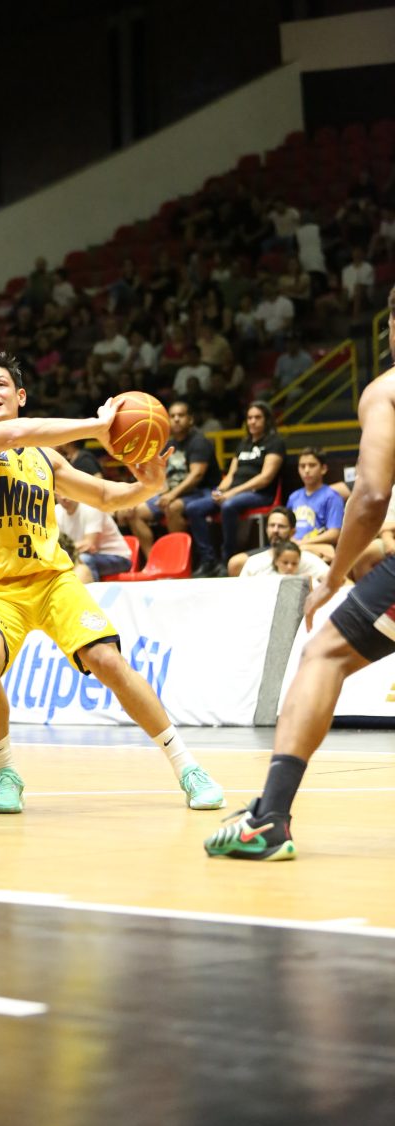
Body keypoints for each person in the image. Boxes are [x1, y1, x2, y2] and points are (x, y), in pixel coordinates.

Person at [0, 350, 224, 815]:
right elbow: (14, 433)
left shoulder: (46, 458)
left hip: (53, 580)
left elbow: (103, 495)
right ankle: (5, 772)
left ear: (20, 396)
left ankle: (187, 767)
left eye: (0, 384)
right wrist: (96, 427)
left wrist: (149, 487)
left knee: (108, 660)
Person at [204, 284, 395, 862]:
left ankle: (269, 818)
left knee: (323, 655)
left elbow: (370, 496)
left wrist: (334, 578)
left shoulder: (385, 391)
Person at [127, 399, 222, 572]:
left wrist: (171, 495)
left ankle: (178, 560)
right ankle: (154, 563)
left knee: (172, 507)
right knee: (134, 512)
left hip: (201, 492)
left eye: (181, 415)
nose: (176, 419)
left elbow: (196, 476)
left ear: (190, 419)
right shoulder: (169, 444)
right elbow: (161, 476)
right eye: (172, 416)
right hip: (174, 492)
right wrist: (159, 492)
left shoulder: (199, 442)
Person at [186, 400, 285, 564]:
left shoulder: (275, 443)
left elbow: (265, 478)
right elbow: (231, 475)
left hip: (260, 494)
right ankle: (208, 560)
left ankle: (228, 558)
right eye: (250, 418)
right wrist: (219, 491)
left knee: (228, 505)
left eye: (257, 417)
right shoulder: (243, 444)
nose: (252, 421)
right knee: (194, 508)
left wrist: (231, 493)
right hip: (233, 493)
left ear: (267, 420)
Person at [230, 506, 330, 581]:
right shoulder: (254, 562)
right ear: (266, 529)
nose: (275, 530)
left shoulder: (308, 559)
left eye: (281, 526)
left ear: (293, 531)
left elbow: (335, 582)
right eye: (272, 525)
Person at [55, 496, 133, 583]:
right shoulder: (55, 511)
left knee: (83, 559)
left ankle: (90, 590)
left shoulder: (92, 507)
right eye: (59, 494)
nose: (63, 497)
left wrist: (66, 549)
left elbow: (89, 545)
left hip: (118, 557)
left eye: (66, 493)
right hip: (82, 555)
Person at [286, 446, 345, 561]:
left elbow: (334, 533)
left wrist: (303, 543)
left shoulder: (332, 497)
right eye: (302, 466)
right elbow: (287, 527)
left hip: (316, 548)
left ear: (323, 469)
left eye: (312, 465)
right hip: (293, 547)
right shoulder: (293, 497)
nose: (306, 470)